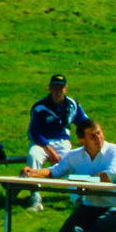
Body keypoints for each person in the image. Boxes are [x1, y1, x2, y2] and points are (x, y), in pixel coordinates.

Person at [21, 117, 116, 232]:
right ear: (82, 140)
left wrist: (83, 181)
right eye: (92, 135)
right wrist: (33, 172)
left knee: (98, 230)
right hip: (90, 204)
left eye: (99, 133)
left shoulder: (114, 150)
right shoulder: (74, 155)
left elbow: (110, 175)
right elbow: (55, 171)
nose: (98, 138)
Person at [25, 75, 87, 211]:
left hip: (62, 142)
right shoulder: (40, 106)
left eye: (60, 88)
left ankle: (79, 200)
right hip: (42, 143)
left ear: (65, 89)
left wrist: (87, 140)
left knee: (70, 162)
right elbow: (34, 133)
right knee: (33, 156)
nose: (57, 91)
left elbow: (84, 123)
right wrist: (50, 152)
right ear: (50, 88)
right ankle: (35, 197)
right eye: (54, 88)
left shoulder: (72, 105)